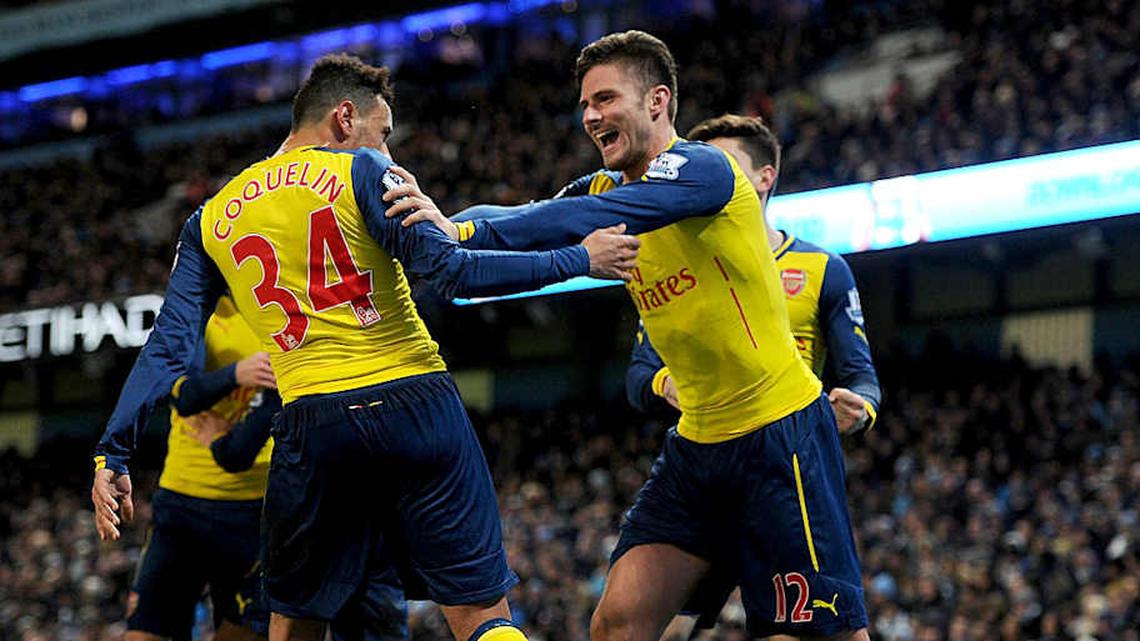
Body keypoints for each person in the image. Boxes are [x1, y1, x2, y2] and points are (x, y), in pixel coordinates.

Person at [90, 53, 640, 641]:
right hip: (415, 404)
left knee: (293, 619)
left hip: (311, 425)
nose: (390, 154)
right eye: (383, 136)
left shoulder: (211, 219)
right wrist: (580, 259)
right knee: (481, 614)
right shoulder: (367, 175)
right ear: (345, 119)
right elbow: (453, 275)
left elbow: (166, 348)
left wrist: (113, 451)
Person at [390, 32, 869, 641]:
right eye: (585, 103)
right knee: (617, 624)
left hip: (780, 435)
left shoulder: (705, 169)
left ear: (657, 101)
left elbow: (573, 221)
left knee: (821, 634)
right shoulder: (603, 189)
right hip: (697, 448)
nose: (590, 116)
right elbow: (527, 218)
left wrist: (459, 234)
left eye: (606, 98)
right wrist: (441, 225)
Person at [625, 115, 881, 640]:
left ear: (764, 178)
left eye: (723, 165)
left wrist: (859, 410)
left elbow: (862, 377)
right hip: (705, 460)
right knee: (653, 625)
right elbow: (638, 375)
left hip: (785, 460)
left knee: (804, 630)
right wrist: (665, 385)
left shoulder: (822, 269)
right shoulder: (676, 263)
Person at [114, 294, 278, 641]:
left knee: (245, 633)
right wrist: (237, 372)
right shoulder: (192, 311)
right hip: (184, 502)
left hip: (256, 509)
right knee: (143, 634)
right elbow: (183, 396)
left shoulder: (277, 311)